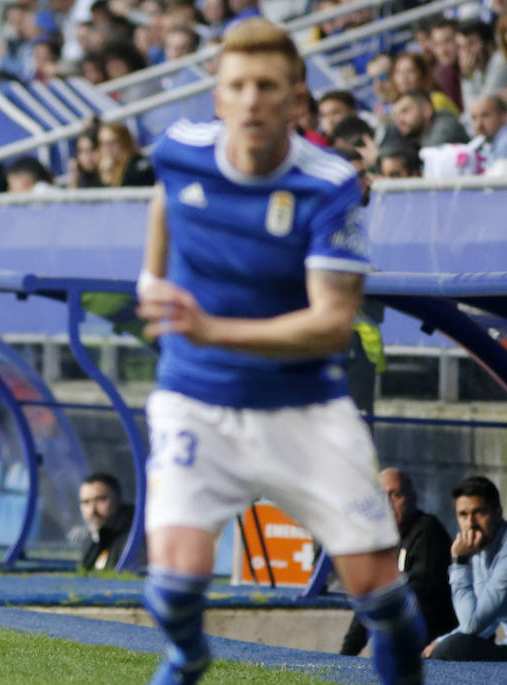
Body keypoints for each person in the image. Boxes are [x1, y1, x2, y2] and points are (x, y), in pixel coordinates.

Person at [136, 19, 426, 685]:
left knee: (381, 595)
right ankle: (186, 654)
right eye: (236, 85)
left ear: (296, 98)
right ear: (217, 95)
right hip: (197, 400)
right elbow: (164, 202)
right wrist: (152, 280)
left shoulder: (331, 185)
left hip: (304, 407)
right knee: (171, 589)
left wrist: (210, 328)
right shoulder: (179, 151)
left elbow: (330, 324)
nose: (250, 100)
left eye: (267, 86)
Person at [424, 476, 507, 662]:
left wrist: (459, 562)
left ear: (498, 513)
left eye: (479, 513)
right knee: (442, 646)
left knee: (454, 648)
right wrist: (440, 642)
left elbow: (472, 625)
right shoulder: (480, 548)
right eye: (463, 515)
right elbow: (478, 620)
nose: (471, 523)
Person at [341, 468, 457, 656]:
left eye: (395, 495)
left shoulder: (427, 531)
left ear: (412, 497)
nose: (387, 503)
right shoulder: (381, 542)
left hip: (437, 645)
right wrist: (346, 655)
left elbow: (417, 592)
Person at [79, 473, 141, 570]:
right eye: (86, 502)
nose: (93, 510)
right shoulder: (96, 537)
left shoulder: (135, 538)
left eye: (100, 499)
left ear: (119, 499)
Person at [393, 89, 470, 148]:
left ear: (426, 110)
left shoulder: (445, 123)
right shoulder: (414, 138)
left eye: (405, 111)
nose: (399, 120)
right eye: (396, 115)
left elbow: (432, 151)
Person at [98, 122, 155, 187]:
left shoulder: (137, 165)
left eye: (112, 142)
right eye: (103, 143)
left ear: (124, 142)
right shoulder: (103, 167)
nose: (107, 148)